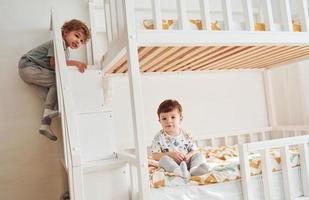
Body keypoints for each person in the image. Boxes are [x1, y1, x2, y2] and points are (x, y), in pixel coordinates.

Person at [18, 19, 91, 141]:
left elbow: (59, 66)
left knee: (50, 96)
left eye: (81, 41)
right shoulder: (57, 43)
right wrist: (75, 64)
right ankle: (48, 112)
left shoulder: (65, 52)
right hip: (28, 66)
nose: (78, 41)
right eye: (77, 36)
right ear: (66, 32)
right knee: (57, 81)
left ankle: (45, 125)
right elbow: (54, 63)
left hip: (32, 71)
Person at [151, 99, 209, 178]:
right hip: (172, 165)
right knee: (163, 160)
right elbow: (155, 156)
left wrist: (188, 156)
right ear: (159, 121)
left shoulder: (186, 135)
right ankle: (179, 172)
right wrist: (170, 154)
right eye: (164, 118)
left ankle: (194, 170)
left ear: (180, 119)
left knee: (199, 155)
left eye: (173, 117)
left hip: (187, 162)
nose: (168, 121)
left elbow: (194, 150)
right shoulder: (158, 137)